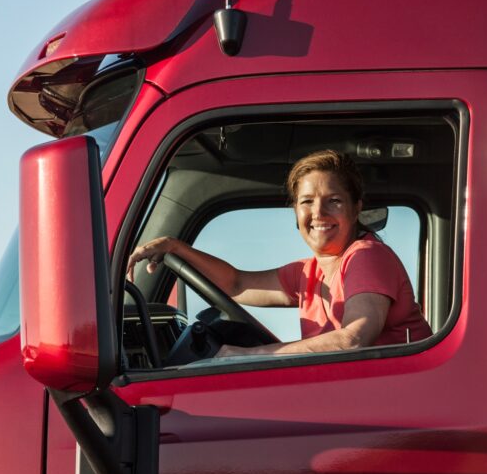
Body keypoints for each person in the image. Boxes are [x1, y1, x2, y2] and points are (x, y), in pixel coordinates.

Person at [126, 149, 432, 358]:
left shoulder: (366, 256)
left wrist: (245, 357)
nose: (318, 213)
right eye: (307, 201)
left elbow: (352, 340)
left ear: (357, 209)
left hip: (396, 407)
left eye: (334, 201)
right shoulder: (309, 272)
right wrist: (175, 247)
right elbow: (236, 285)